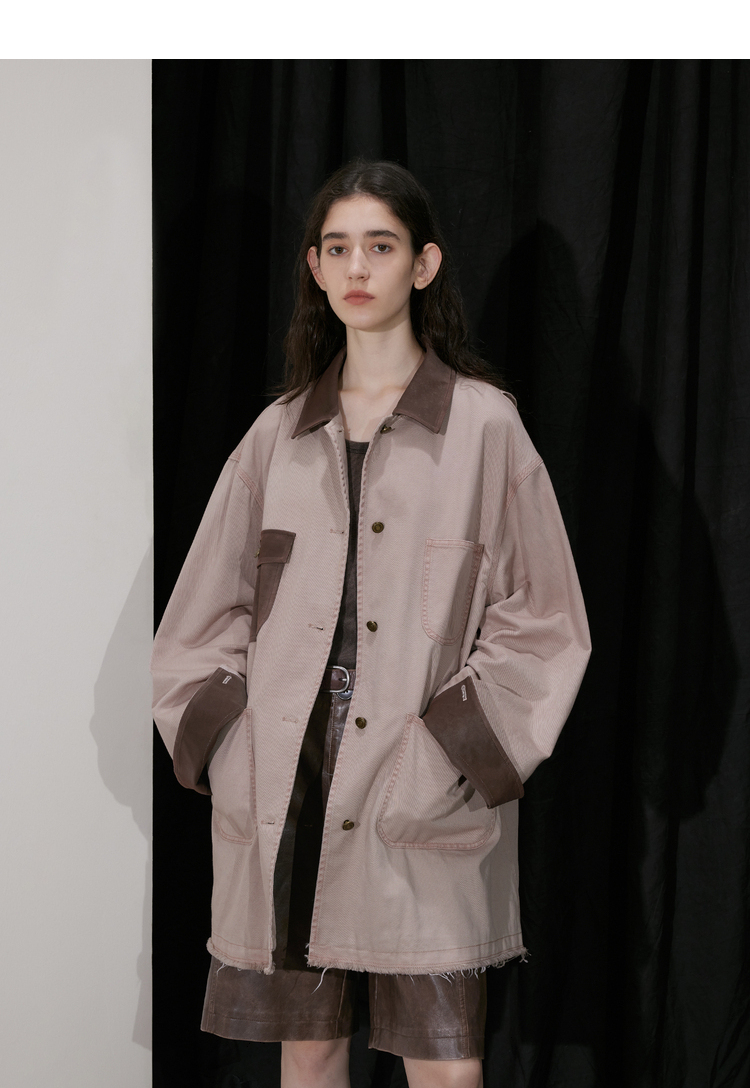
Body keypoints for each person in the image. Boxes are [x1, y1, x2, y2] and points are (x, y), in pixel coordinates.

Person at [152, 159, 591, 1088]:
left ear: (423, 265)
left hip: (417, 784)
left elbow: (545, 621)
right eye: (338, 247)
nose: (358, 267)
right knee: (309, 1055)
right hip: (289, 785)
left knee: (445, 1067)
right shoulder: (276, 436)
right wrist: (234, 751)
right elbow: (199, 620)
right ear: (315, 267)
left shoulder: (484, 428)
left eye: (381, 246)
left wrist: (453, 752)